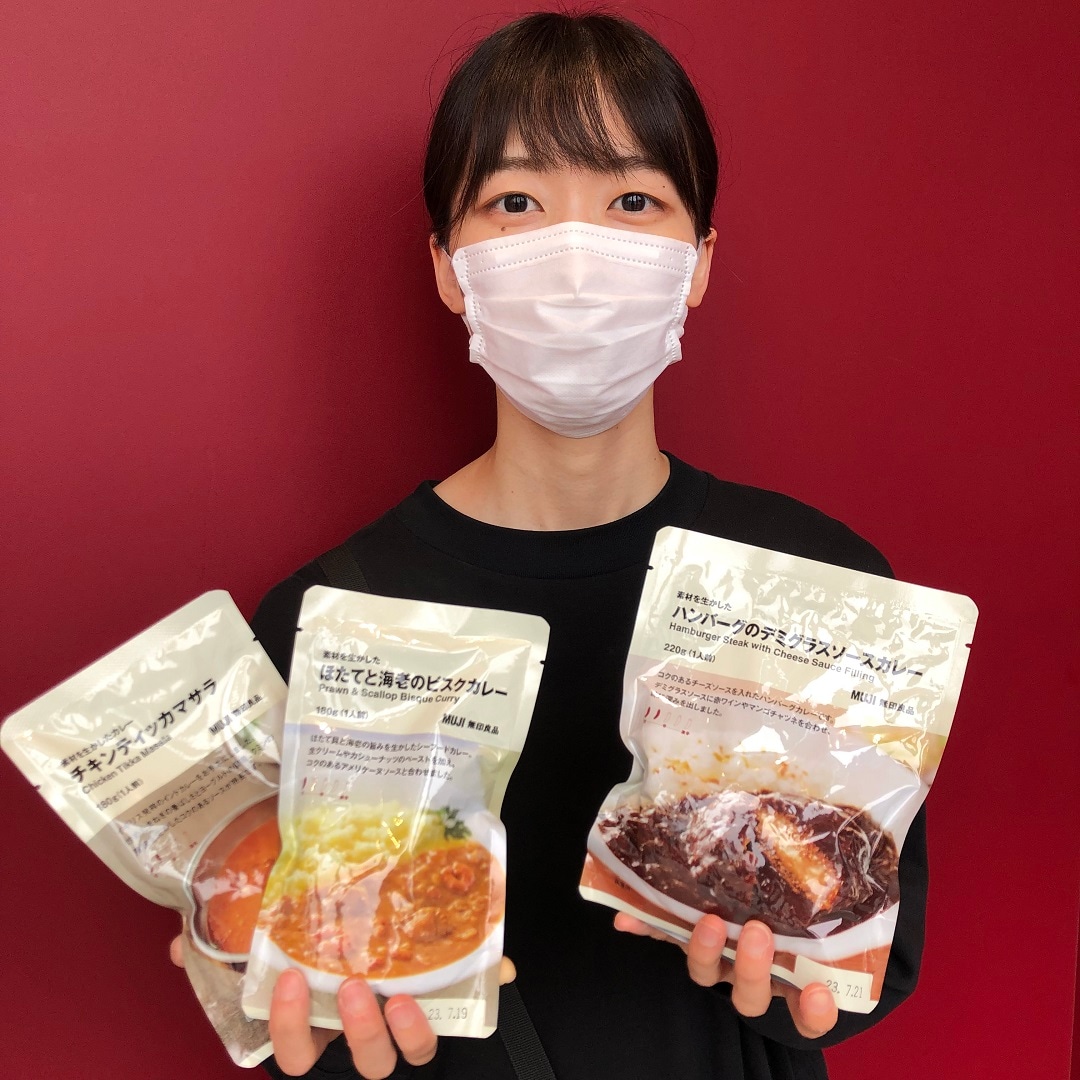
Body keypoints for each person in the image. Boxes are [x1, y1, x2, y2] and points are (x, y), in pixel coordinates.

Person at [172, 12, 926, 1079]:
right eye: (516, 203)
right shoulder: (331, 616)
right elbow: (311, 958)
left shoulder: (820, 587)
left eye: (633, 202)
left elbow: (868, 955)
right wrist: (291, 1005)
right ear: (449, 267)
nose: (576, 260)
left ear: (699, 263)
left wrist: (810, 991)